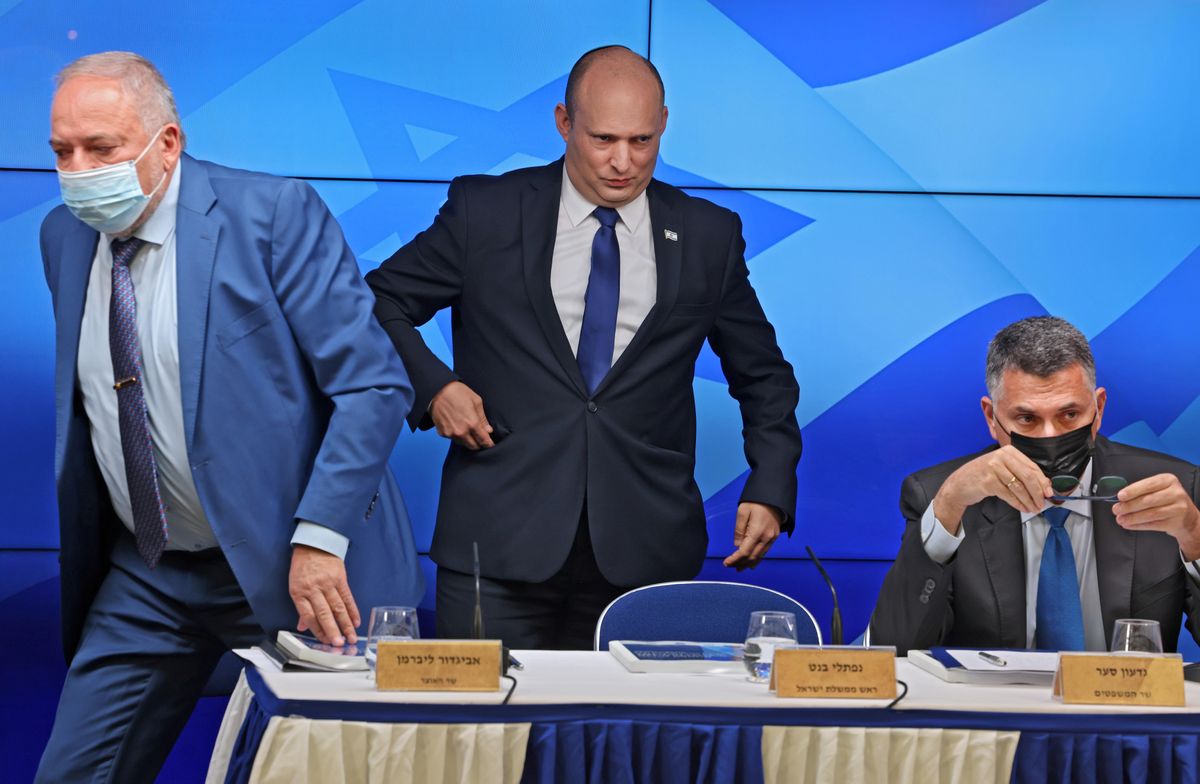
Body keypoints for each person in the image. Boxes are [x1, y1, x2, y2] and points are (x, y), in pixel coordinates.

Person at [37, 52, 422, 782]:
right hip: (147, 572)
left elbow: (372, 385)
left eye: (103, 149)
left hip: (293, 567)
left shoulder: (271, 215)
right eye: (64, 151)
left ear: (168, 143)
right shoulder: (63, 238)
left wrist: (318, 537)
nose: (80, 170)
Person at [366, 45, 802, 650]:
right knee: (485, 742)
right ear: (563, 123)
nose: (623, 162)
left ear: (665, 125)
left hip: (645, 552)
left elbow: (765, 376)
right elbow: (374, 304)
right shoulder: (485, 212)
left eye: (642, 141)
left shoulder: (708, 235)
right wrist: (434, 387)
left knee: (630, 745)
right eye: (603, 140)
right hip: (497, 543)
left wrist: (771, 483)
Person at [871, 315, 1200, 655]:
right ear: (991, 418)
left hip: (1125, 704)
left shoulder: (1172, 494)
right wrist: (948, 508)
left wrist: (1196, 538)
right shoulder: (941, 497)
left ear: (1098, 409)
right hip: (995, 708)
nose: (1051, 436)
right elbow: (894, 650)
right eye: (1027, 419)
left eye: (1069, 414)